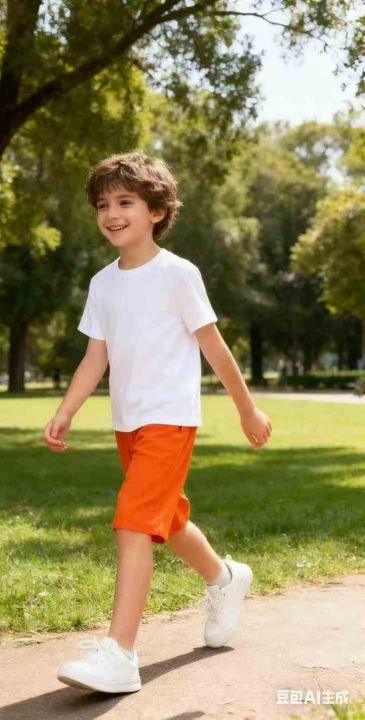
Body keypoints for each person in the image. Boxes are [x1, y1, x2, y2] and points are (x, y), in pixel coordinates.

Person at [43, 150, 272, 694]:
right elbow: (95, 356)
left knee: (132, 523)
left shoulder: (178, 274)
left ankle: (120, 654)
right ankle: (224, 578)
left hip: (170, 419)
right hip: (128, 423)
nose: (112, 213)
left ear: (157, 210)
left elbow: (213, 347)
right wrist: (66, 410)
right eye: (103, 204)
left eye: (125, 202)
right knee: (165, 521)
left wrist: (246, 408)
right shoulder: (102, 283)